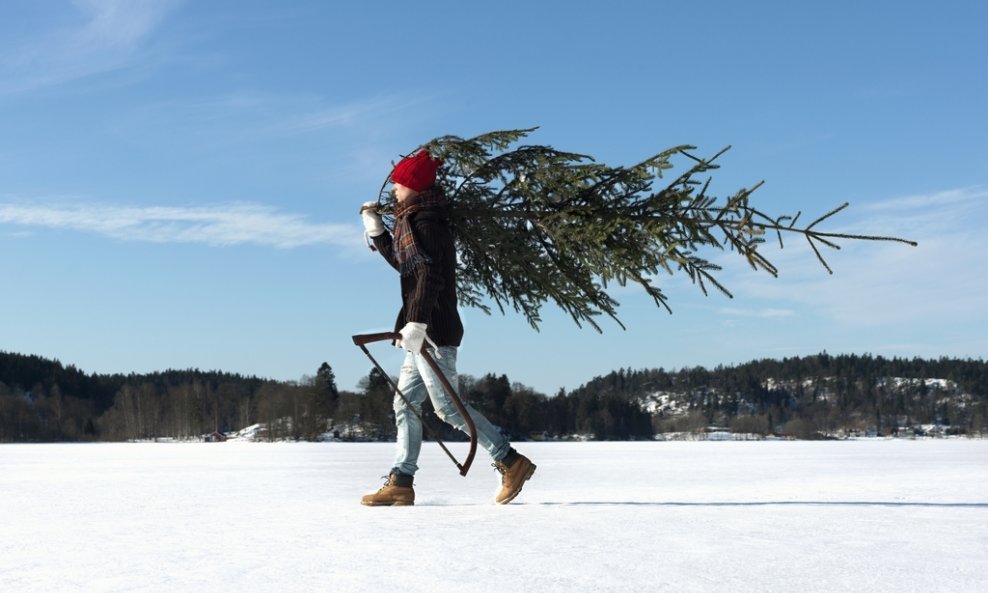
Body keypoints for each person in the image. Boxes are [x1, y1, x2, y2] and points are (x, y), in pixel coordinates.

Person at [359, 149, 536, 506]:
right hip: (419, 332)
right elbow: (407, 266)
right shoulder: (412, 221)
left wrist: (418, 322)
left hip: (432, 332)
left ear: (413, 186)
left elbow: (429, 275)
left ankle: (510, 460)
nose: (393, 189)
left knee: (448, 409)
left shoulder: (427, 223)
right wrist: (378, 232)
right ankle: (401, 481)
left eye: (399, 183)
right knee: (405, 404)